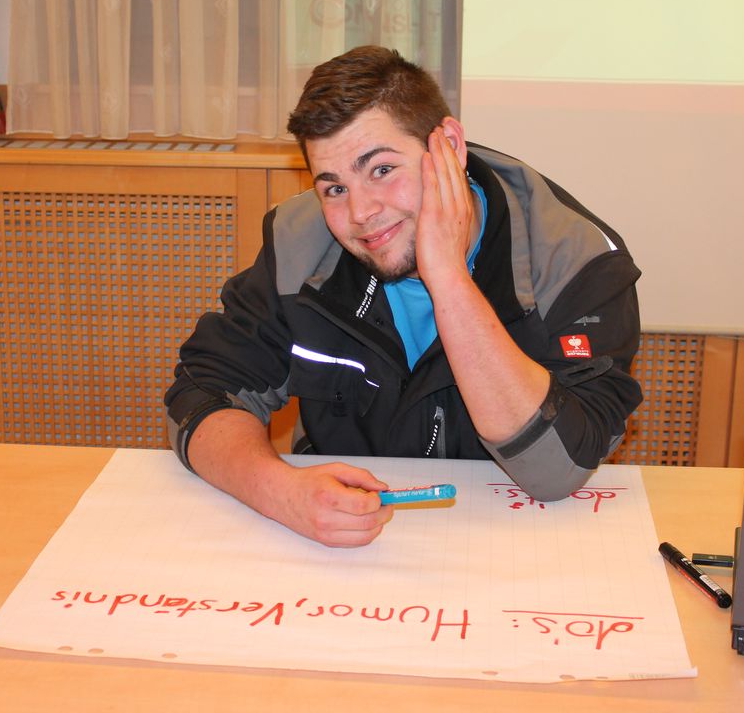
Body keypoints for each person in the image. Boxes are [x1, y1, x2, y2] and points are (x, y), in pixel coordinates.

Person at [164, 46, 642, 547]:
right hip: (348, 548)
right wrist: (282, 493)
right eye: (334, 188)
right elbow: (201, 394)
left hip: (514, 544)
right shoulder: (299, 242)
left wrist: (448, 276)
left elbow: (557, 469)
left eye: (381, 170)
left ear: (449, 147)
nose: (361, 213)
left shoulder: (575, 261)